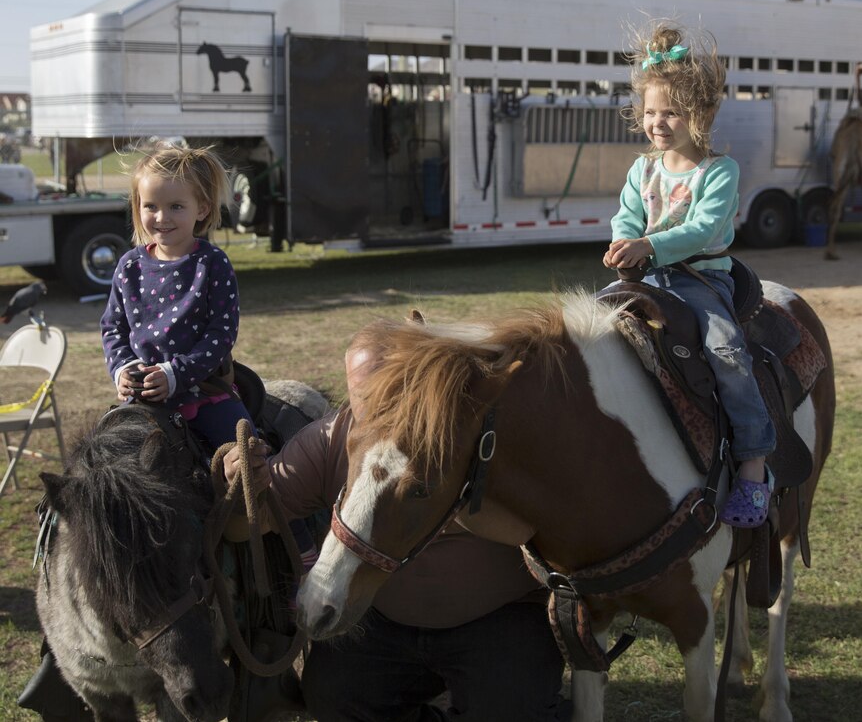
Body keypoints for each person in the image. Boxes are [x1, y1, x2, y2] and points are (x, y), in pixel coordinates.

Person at [222, 407, 568, 722]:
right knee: (333, 696)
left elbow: (548, 525)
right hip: (384, 621)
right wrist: (242, 491)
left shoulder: (490, 434)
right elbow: (247, 526)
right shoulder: (330, 437)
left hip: (501, 618)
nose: (383, 401)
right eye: (365, 393)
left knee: (512, 711)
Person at [100, 141, 316, 565]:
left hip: (204, 393)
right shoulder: (128, 266)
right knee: (104, 474)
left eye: (175, 207)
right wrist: (123, 368)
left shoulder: (212, 264)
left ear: (201, 208)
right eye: (150, 207)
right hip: (142, 402)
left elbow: (221, 334)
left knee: (254, 469)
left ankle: (301, 551)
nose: (160, 218)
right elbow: (113, 328)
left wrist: (176, 373)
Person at [604, 21, 776, 528]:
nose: (658, 122)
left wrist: (648, 246)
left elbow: (702, 230)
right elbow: (627, 215)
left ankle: (752, 463)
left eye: (671, 112)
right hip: (644, 276)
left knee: (726, 352)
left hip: (700, 281)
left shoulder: (719, 172)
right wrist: (621, 243)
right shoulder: (643, 169)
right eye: (651, 112)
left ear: (700, 114)